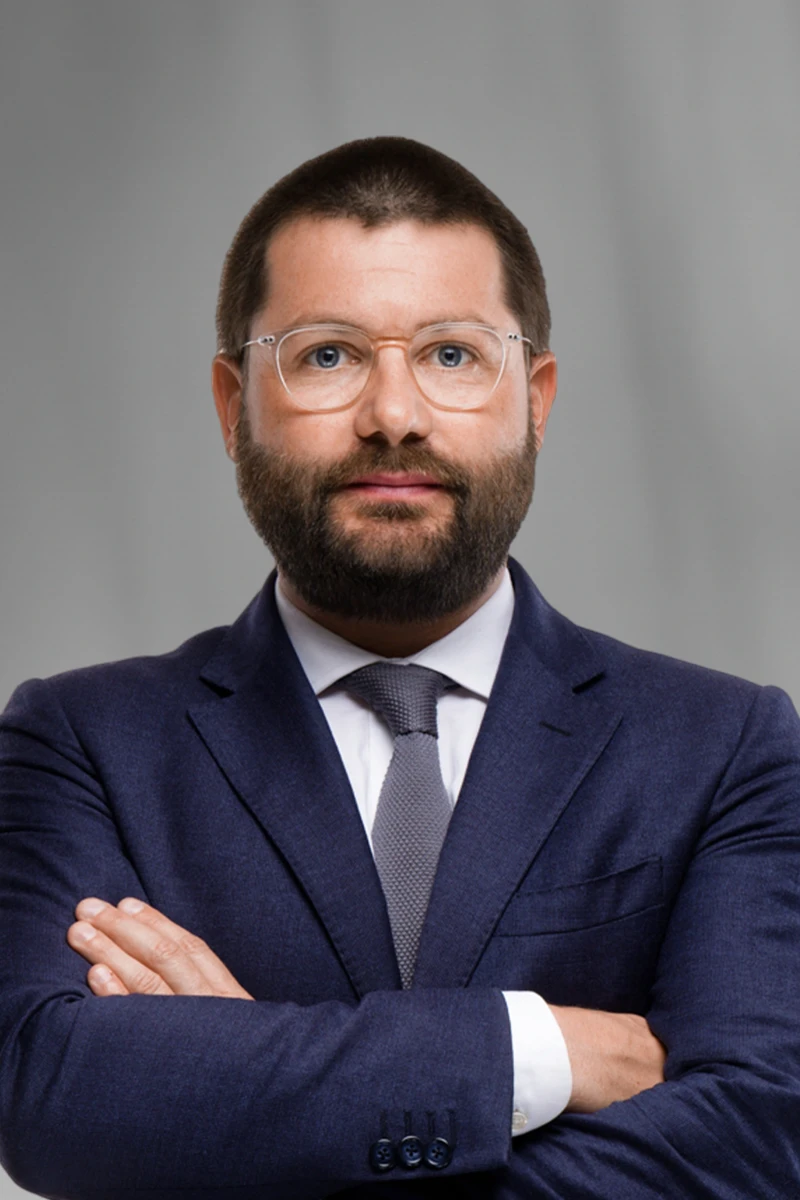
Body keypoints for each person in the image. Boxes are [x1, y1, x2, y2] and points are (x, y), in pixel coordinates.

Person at [1, 136, 799, 1200]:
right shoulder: (81, 744)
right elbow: (47, 1096)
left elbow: (755, 1140)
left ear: (537, 399)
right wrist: (532, 1052)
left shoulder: (725, 748)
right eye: (328, 355)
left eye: (452, 355)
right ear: (233, 406)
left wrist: (244, 1103)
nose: (393, 415)